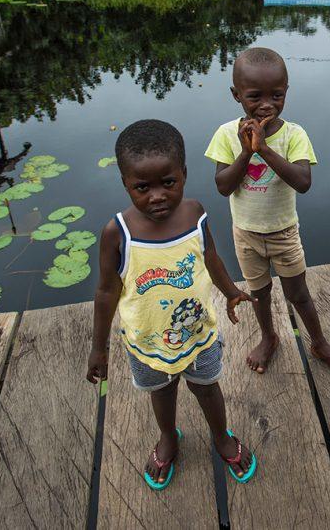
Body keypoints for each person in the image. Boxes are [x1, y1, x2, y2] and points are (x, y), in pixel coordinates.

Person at [86, 119, 257, 490]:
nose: (157, 196)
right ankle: (169, 437)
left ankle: (220, 435)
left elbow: (209, 255)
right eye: (142, 187)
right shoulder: (118, 233)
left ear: (184, 173)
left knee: (207, 387)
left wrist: (229, 291)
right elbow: (105, 292)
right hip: (147, 342)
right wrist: (98, 348)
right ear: (125, 184)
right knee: (161, 392)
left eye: (168, 182)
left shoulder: (195, 213)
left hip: (198, 333)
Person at [205, 46, 330, 376]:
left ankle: (318, 342)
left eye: (277, 95)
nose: (267, 105)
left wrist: (265, 150)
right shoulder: (227, 135)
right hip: (246, 234)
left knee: (298, 293)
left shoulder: (294, 134)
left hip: (284, 232)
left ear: (286, 92)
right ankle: (269, 338)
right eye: (255, 96)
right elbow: (223, 186)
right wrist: (245, 152)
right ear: (236, 95)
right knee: (260, 293)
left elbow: (303, 182)